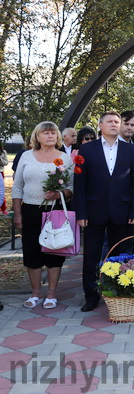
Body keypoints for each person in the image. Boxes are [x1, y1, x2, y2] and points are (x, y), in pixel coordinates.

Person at [74, 111, 134, 312]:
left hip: (122, 210)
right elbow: (80, 184)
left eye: (117, 122)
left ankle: (117, 290)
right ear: (100, 125)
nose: (114, 124)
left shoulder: (130, 151)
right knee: (92, 255)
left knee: (119, 255)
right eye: (110, 121)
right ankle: (91, 295)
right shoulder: (87, 149)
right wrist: (81, 213)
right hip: (94, 210)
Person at [12, 122, 73, 310]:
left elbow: (72, 188)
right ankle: (36, 293)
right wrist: (18, 214)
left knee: (54, 251)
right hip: (30, 210)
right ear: (37, 137)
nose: (50, 136)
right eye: (45, 133)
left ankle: (52, 294)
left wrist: (58, 194)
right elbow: (17, 186)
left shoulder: (64, 158)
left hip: (54, 211)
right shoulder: (25, 156)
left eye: (53, 133)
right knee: (32, 252)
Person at [0, 143, 8, 214]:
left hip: (0, 172)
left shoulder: (3, 152)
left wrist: (0, 160)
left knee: (1, 191)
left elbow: (6, 162)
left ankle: (3, 209)